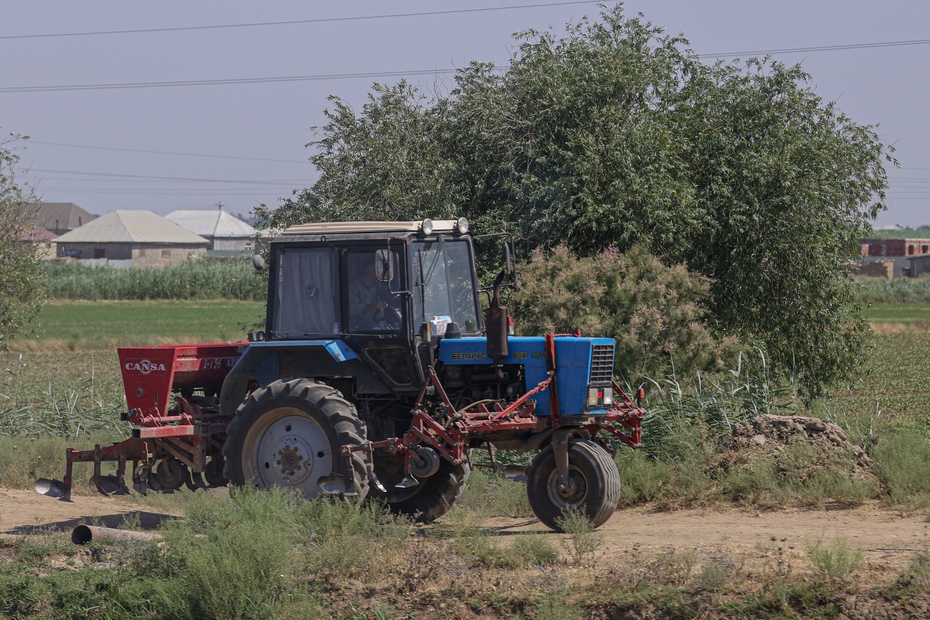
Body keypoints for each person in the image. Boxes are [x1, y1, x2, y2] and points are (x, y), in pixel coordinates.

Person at [349, 259, 395, 330]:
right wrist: (375, 306)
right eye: (379, 272)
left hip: (380, 325)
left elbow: (389, 291)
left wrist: (401, 291)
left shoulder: (376, 285)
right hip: (364, 328)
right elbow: (352, 309)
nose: (381, 274)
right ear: (373, 274)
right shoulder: (354, 287)